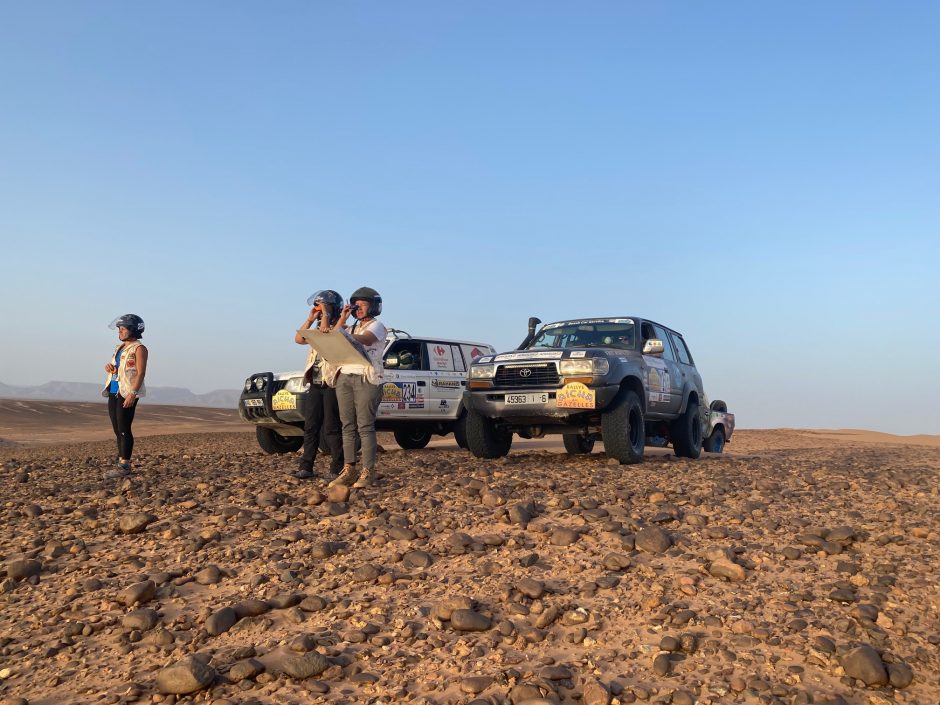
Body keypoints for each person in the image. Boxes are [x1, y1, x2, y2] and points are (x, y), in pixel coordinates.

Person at [326, 286, 387, 488]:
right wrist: (342, 319)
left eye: (362, 304)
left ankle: (368, 471)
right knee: (347, 425)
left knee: (365, 425)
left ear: (373, 307)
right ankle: (349, 469)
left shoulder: (377, 326)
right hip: (345, 375)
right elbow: (333, 338)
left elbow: (366, 339)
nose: (357, 308)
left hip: (367, 378)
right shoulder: (350, 328)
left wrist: (345, 334)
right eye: (355, 305)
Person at [293, 290, 345, 480]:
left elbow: (326, 336)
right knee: (311, 426)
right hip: (315, 383)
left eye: (324, 305)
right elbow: (299, 339)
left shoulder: (340, 328)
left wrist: (326, 315)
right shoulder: (315, 329)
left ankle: (337, 467)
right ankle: (306, 466)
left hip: (331, 384)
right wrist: (310, 318)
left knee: (331, 427)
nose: (320, 309)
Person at [102, 314, 148, 473]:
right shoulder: (119, 348)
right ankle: (121, 457)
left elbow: (141, 373)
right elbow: (122, 369)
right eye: (119, 329)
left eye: (123, 329)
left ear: (133, 330)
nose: (119, 332)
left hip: (127, 391)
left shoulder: (139, 348)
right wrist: (111, 368)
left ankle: (125, 464)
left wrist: (133, 393)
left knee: (124, 427)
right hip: (114, 389)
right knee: (116, 428)